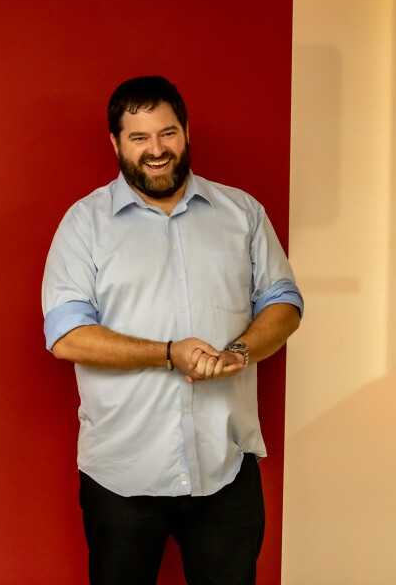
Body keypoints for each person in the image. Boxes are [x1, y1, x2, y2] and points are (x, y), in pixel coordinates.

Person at [42, 76, 303, 585]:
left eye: (168, 133)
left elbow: (284, 302)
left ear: (186, 131)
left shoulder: (243, 213)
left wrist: (240, 351)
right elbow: (67, 335)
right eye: (139, 138)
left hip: (225, 468)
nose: (156, 150)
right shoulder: (83, 224)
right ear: (116, 143)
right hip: (122, 472)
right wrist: (168, 352)